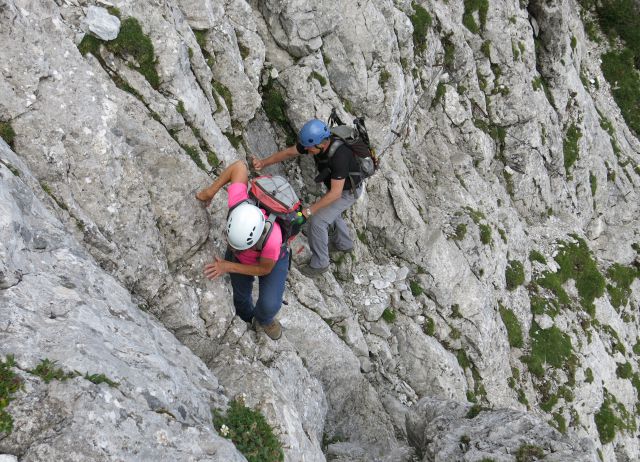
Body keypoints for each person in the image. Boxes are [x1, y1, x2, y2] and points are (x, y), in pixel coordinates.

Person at [253, 118, 363, 277]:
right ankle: (344, 244)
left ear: (321, 144)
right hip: (338, 188)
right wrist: (263, 163)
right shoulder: (314, 144)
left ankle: (320, 264)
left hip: (347, 192)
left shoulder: (340, 155)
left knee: (318, 220)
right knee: (332, 213)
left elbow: (335, 194)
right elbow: (289, 152)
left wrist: (308, 212)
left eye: (309, 148)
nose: (306, 150)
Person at [195, 160, 288, 340]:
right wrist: (210, 192)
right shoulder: (239, 204)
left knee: (270, 305)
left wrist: (228, 267)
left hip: (271, 260)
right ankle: (247, 316)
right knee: (240, 297)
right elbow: (239, 166)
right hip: (241, 257)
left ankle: (263, 319)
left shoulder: (273, 238)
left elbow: (264, 269)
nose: (230, 247)